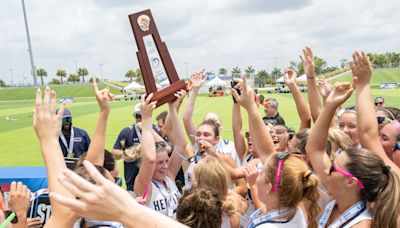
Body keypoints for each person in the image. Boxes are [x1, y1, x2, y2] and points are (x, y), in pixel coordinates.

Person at [306, 60, 400, 228]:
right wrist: (330, 105)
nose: (327, 170)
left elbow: (368, 136)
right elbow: (314, 149)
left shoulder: (361, 224)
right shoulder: (341, 197)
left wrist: (363, 84)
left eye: (334, 168)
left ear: (351, 182)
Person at [133, 92, 187, 217]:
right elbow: (150, 159)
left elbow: (181, 145)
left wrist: (173, 109)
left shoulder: (169, 176)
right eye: (160, 163)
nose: (165, 166)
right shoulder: (144, 185)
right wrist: (146, 119)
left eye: (166, 161)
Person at [112, 103, 167, 193]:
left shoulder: (155, 130)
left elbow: (166, 148)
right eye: (137, 116)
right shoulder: (127, 132)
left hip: (154, 183)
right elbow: (114, 153)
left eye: (142, 116)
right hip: (132, 184)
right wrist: (129, 153)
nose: (140, 119)